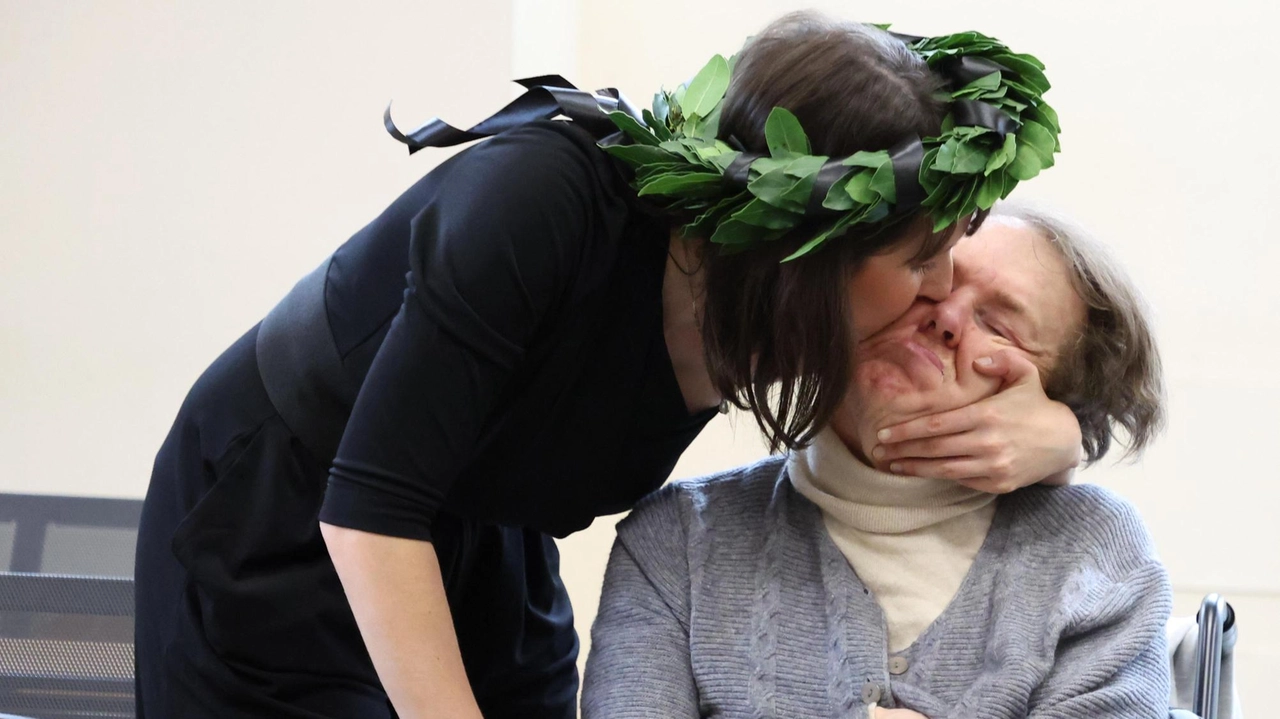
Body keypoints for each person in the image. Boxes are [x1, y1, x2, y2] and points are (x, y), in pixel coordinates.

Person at [134, 12, 1080, 719]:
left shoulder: (776, 300)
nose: (942, 287)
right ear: (811, 252)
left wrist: (1063, 435)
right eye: (921, 259)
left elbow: (937, 389)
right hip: (296, 520)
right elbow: (371, 511)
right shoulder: (538, 199)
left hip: (482, 532)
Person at [581, 204, 1171, 719]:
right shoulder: (677, 544)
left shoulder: (1096, 554)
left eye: (999, 323)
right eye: (930, 280)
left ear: (1048, 396)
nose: (947, 316)